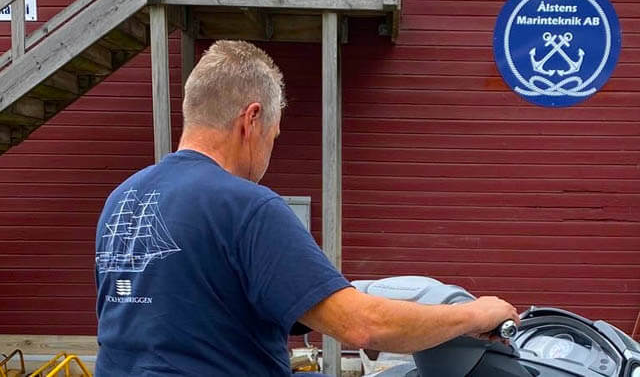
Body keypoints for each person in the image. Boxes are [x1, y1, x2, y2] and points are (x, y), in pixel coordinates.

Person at [94, 40, 520, 376]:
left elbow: (185, 308)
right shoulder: (247, 207)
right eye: (273, 135)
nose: (269, 151)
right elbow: (363, 327)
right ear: (251, 120)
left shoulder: (121, 200)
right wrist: (474, 314)